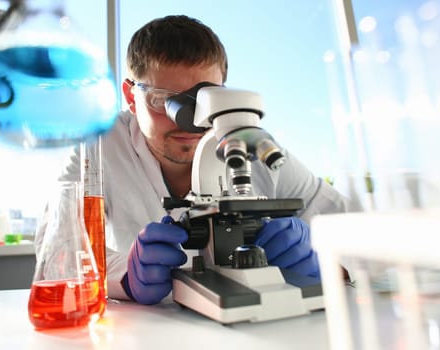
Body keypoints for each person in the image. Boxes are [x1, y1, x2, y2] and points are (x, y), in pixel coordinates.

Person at [35, 15, 349, 305]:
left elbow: (366, 233)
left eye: (203, 101)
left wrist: (329, 263)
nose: (190, 122)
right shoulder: (98, 146)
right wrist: (125, 276)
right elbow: (56, 251)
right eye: (163, 101)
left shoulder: (246, 141)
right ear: (131, 97)